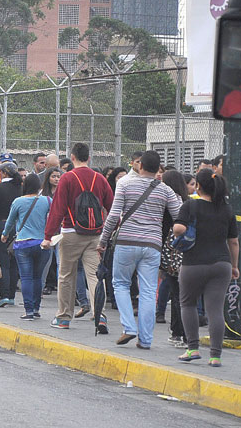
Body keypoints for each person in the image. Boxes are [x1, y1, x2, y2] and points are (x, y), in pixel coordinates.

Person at [99, 150, 182, 350]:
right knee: (147, 290)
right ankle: (145, 339)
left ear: (140, 166)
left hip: (126, 242)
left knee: (120, 284)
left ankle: (128, 326)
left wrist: (103, 241)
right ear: (158, 169)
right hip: (153, 245)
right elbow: (179, 215)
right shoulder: (165, 190)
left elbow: (113, 216)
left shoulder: (125, 184)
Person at [43, 143, 114, 330]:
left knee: (66, 275)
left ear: (72, 157)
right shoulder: (99, 179)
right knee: (94, 276)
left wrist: (48, 236)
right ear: (89, 158)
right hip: (95, 235)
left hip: (70, 232)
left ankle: (64, 318)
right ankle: (100, 316)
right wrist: (109, 231)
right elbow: (111, 206)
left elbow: (57, 210)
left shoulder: (67, 178)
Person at [175, 169, 241, 367]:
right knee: (215, 310)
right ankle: (215, 355)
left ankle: (192, 348)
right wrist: (234, 266)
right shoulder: (227, 209)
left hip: (193, 264)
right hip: (221, 264)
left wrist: (178, 229)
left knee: (188, 304)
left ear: (199, 186)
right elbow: (234, 242)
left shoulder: (190, 205)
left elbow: (178, 228)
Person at [3, 173, 52, 319]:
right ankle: (36, 309)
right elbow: (54, 218)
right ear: (39, 186)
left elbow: (10, 221)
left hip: (23, 244)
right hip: (42, 243)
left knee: (26, 278)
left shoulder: (18, 201)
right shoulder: (48, 200)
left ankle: (28, 310)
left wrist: (4, 235)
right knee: (38, 277)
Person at [157, 169, 190, 347]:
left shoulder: (166, 204)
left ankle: (182, 334)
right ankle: (177, 332)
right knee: (181, 293)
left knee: (177, 294)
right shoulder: (188, 202)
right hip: (188, 254)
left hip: (171, 255)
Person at [0, 162, 23, 307]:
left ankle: (4, 296)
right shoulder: (22, 188)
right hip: (20, 228)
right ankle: (12, 296)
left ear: (3, 173)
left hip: (2, 226)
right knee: (15, 263)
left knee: (3, 262)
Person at [40, 167, 63, 295]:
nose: (56, 179)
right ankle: (41, 286)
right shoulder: (42, 194)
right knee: (45, 263)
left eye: (58, 176)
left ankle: (62, 290)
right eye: (53, 176)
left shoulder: (64, 192)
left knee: (61, 262)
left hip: (60, 233)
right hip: (47, 231)